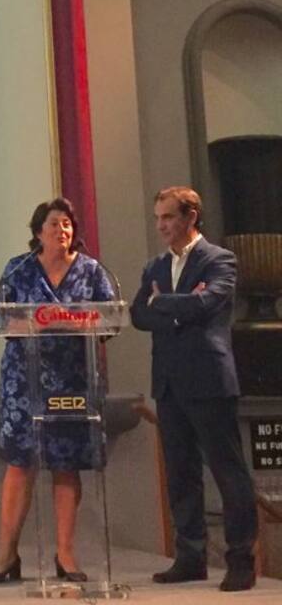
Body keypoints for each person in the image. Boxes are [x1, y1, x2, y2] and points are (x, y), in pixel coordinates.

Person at [131, 186, 257, 592]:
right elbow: (138, 314)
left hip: (208, 381)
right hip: (169, 383)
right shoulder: (155, 265)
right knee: (181, 474)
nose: (161, 226)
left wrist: (163, 303)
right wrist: (178, 305)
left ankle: (241, 560)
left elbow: (208, 304)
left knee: (227, 472)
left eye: (168, 217)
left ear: (191, 217)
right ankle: (190, 557)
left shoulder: (219, 259)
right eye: (158, 218)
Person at [0, 198, 114, 584]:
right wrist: (34, 322)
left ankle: (66, 555)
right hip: (24, 380)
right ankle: (6, 553)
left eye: (68, 224)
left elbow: (111, 319)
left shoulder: (91, 271)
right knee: (20, 462)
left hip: (74, 378)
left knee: (65, 463)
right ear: (38, 232)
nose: (63, 230)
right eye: (55, 223)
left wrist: (78, 320)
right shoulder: (18, 269)